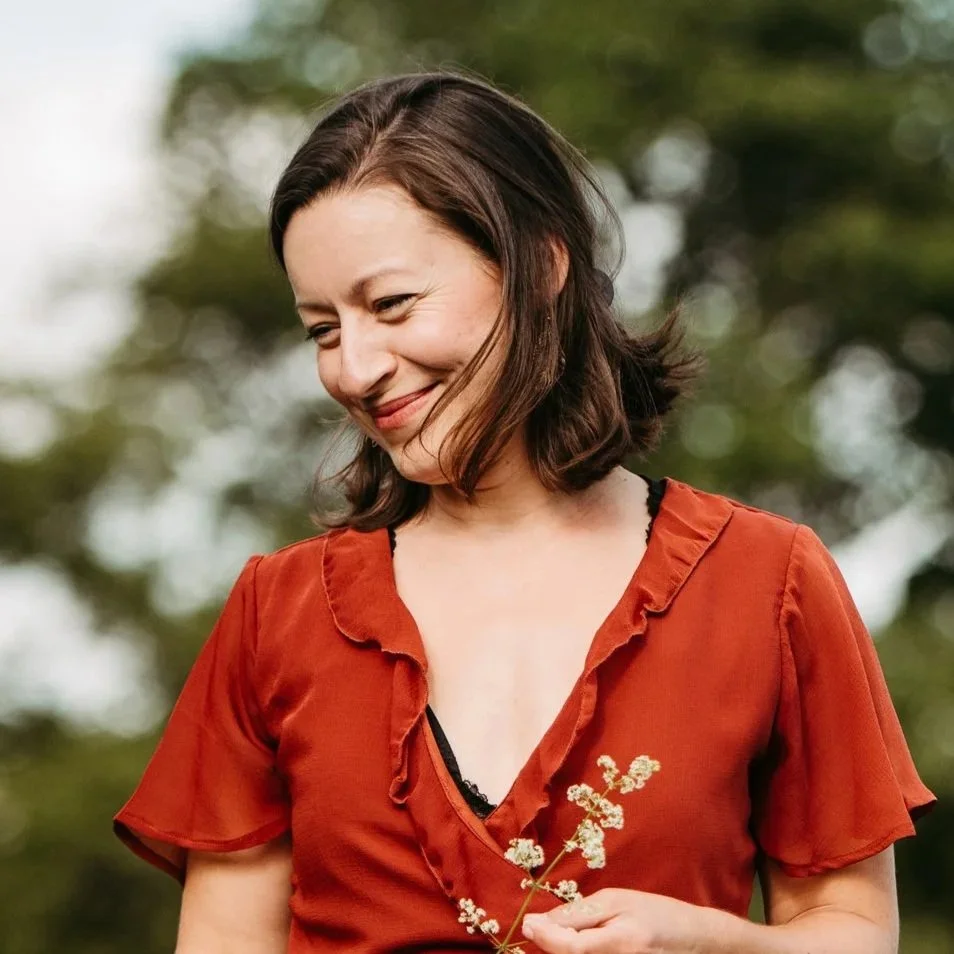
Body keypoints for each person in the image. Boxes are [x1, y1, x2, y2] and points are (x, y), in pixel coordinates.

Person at [113, 71, 935, 954]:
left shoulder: (767, 581)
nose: (354, 367)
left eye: (391, 305)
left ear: (541, 264)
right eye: (322, 328)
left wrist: (704, 942)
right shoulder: (278, 615)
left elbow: (854, 934)